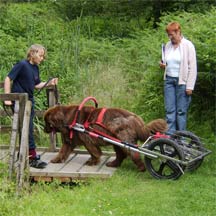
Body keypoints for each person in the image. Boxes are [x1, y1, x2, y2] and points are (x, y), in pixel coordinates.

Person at [4, 44, 58, 169]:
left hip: (29, 101)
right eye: (40, 55)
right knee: (27, 128)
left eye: (43, 56)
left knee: (28, 128)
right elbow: (8, 78)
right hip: (19, 101)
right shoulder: (22, 65)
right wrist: (7, 98)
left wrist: (49, 83)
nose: (42, 58)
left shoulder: (35, 68)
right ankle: (31, 157)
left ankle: (25, 154)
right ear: (33, 53)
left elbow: (37, 84)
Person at [159, 22, 197, 134]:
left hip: (182, 82)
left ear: (178, 32)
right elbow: (165, 61)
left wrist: (190, 86)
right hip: (169, 81)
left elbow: (193, 67)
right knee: (170, 111)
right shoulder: (167, 45)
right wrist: (162, 65)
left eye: (172, 35)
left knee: (181, 112)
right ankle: (170, 140)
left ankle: (181, 140)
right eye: (168, 35)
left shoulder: (188, 45)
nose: (170, 37)